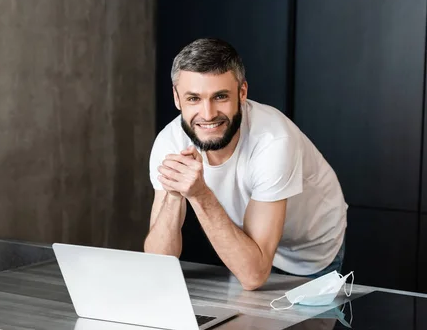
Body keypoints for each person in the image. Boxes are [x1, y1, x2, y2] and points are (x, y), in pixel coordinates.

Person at [144, 38, 348, 290]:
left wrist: (198, 195)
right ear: (177, 98)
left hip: (309, 253)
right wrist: (174, 195)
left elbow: (253, 276)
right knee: (245, 325)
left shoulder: (273, 140)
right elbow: (157, 264)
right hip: (248, 247)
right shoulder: (170, 141)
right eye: (194, 98)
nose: (207, 115)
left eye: (220, 97)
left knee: (303, 328)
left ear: (242, 93)